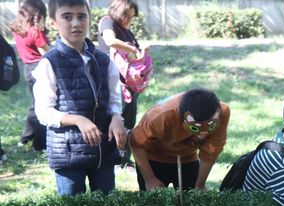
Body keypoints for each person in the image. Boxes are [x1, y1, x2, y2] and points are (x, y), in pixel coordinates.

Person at [33, 0, 127, 196]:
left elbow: (114, 99)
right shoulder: (49, 63)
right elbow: (43, 112)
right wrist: (78, 120)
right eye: (67, 17)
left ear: (89, 19)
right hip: (68, 155)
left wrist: (117, 118)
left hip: (103, 151)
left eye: (81, 16)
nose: (76, 23)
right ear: (54, 22)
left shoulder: (104, 60)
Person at [129, 88, 229, 191]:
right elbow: (137, 143)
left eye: (210, 128)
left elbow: (211, 151)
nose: (202, 136)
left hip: (187, 157)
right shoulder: (161, 116)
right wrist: (149, 179)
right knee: (153, 203)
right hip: (153, 157)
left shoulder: (222, 113)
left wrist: (199, 185)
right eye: (195, 129)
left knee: (191, 200)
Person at [98, 0, 147, 167]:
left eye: (132, 17)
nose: (128, 20)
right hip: (115, 84)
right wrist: (132, 50)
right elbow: (111, 41)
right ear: (118, 11)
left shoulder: (126, 30)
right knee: (117, 120)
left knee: (129, 121)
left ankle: (124, 160)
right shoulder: (107, 21)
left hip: (130, 85)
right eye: (127, 15)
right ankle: (114, 158)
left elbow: (134, 56)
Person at [10, 0, 49, 151]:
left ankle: (26, 138)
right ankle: (40, 144)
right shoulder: (35, 31)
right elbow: (46, 53)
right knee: (43, 106)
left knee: (35, 105)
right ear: (37, 13)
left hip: (28, 68)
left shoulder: (18, 29)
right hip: (40, 68)